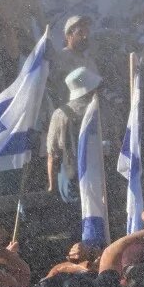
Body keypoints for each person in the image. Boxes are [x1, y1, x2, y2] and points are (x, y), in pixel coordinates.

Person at [45, 67, 104, 198]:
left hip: (73, 180)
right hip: (101, 176)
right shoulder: (102, 109)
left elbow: (52, 154)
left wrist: (51, 186)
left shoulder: (60, 114)